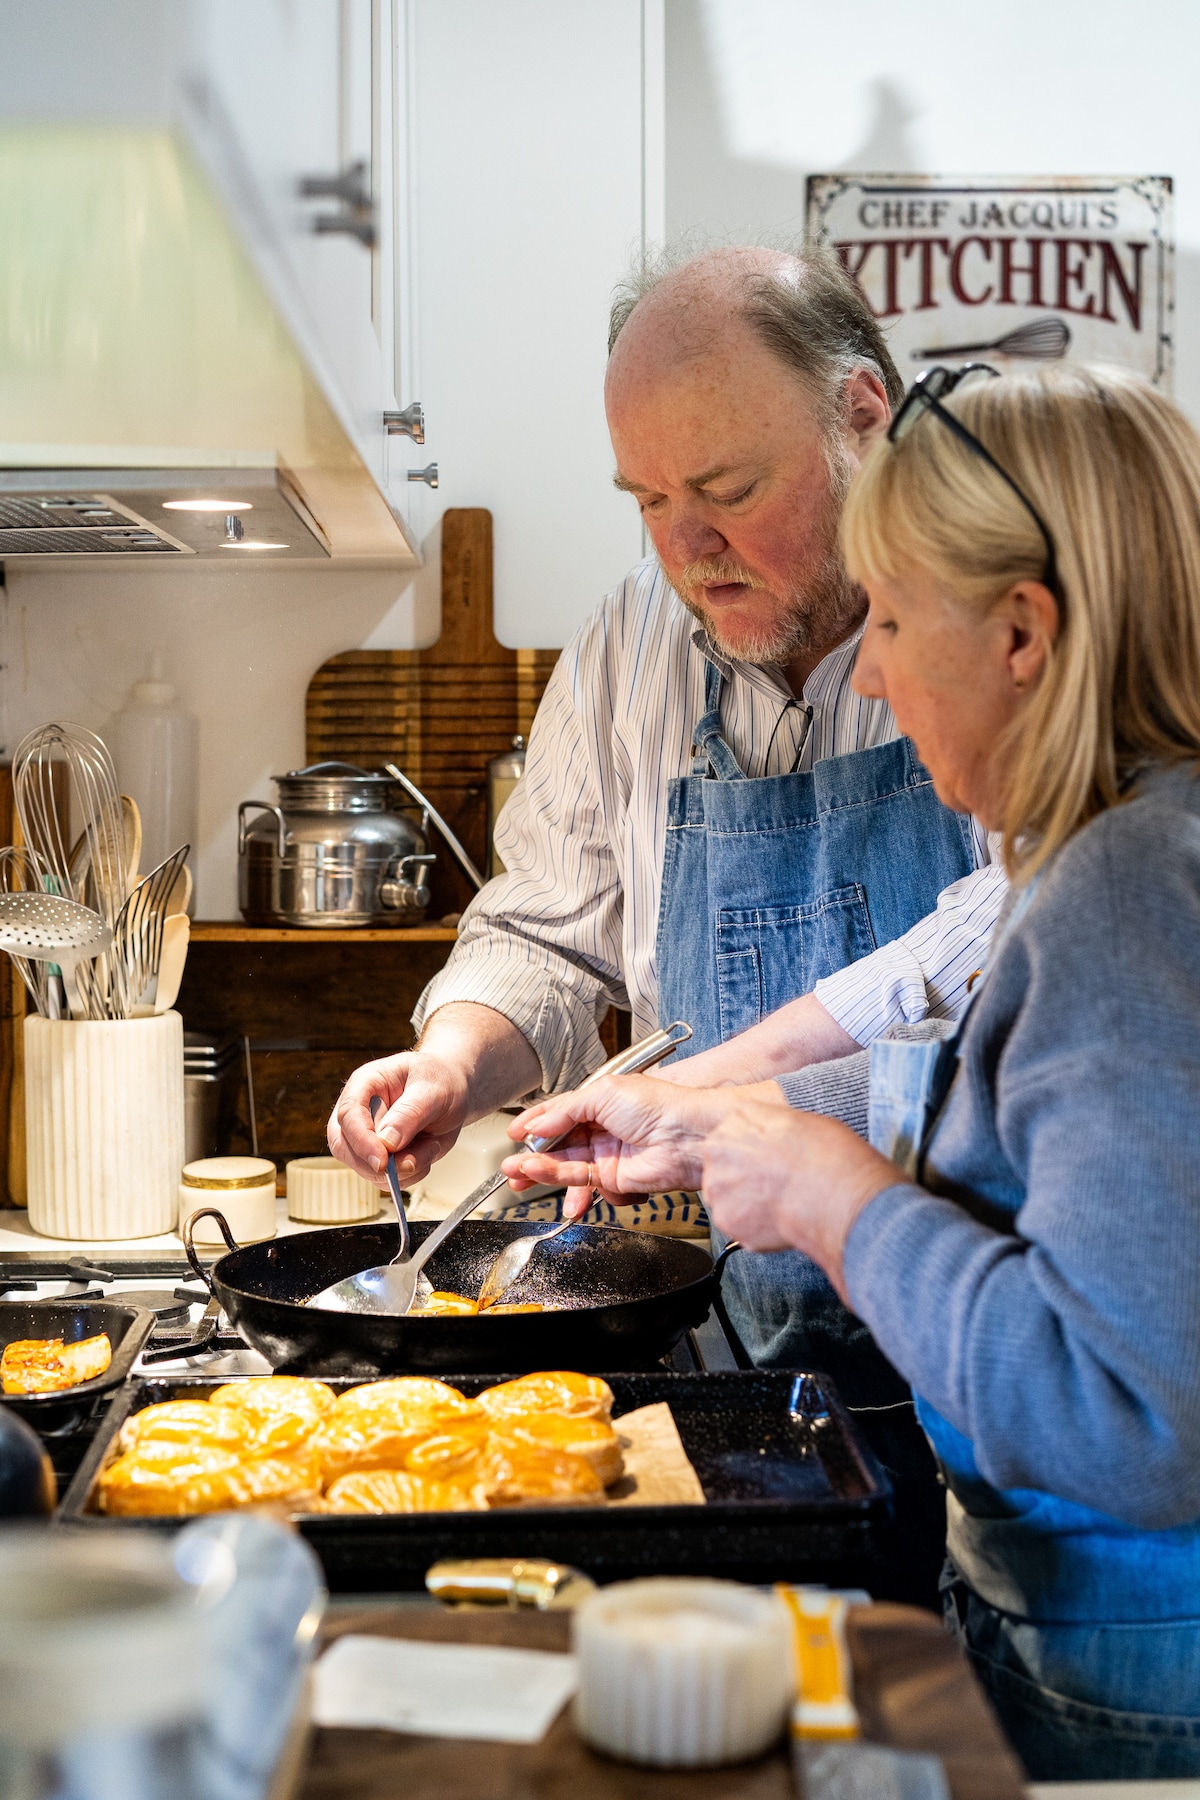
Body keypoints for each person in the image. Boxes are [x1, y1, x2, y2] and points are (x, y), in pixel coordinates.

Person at [503, 361, 1200, 1780]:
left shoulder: (1127, 889)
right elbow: (1020, 1120)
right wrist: (713, 1125)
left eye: (888, 619)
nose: (870, 670)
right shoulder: (1140, 844)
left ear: (1022, 632)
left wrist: (832, 1200)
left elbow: (1131, 1420)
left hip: (1133, 1672)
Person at [328, 246, 1009, 1386]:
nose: (687, 547)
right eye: (649, 500)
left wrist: (702, 1092)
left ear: (862, 417)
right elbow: (548, 929)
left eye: (730, 492)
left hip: (977, 1342)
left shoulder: (989, 638)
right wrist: (451, 1059)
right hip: (738, 1329)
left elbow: (1001, 950)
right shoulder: (625, 645)